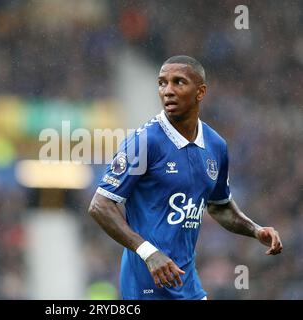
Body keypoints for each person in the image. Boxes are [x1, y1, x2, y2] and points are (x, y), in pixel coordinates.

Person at [88, 55, 283, 300]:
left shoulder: (215, 145)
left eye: (178, 82)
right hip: (146, 285)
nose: (167, 91)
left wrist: (255, 230)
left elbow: (219, 207)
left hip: (187, 283)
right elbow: (100, 205)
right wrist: (149, 252)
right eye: (162, 83)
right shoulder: (144, 142)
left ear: (200, 92)